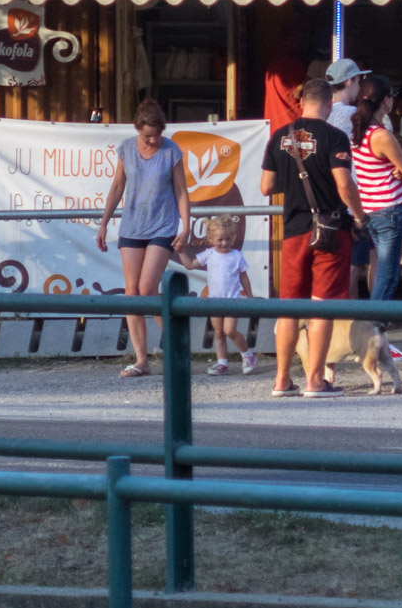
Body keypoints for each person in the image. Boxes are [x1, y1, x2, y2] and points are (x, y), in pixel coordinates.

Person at [262, 78, 365, 398]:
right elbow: (344, 184)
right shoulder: (334, 136)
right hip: (330, 231)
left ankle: (281, 380)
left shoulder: (280, 136)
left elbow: (266, 187)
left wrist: (293, 183)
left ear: (301, 101)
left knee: (290, 307)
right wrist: (360, 215)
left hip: (293, 230)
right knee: (323, 306)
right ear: (329, 104)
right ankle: (315, 381)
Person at [96, 100, 191, 378]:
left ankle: (176, 345)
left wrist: (186, 226)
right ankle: (141, 360)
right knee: (131, 292)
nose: (153, 140)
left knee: (149, 288)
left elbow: (181, 190)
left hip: (162, 225)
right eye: (148, 135)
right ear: (137, 129)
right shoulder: (127, 148)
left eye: (157, 135)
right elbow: (117, 187)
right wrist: (103, 224)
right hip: (132, 226)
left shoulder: (171, 150)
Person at [350, 74, 402, 303]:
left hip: (370, 208)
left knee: (384, 272)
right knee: (387, 275)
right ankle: (374, 328)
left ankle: (377, 329)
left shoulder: (357, 130)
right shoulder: (382, 135)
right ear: (385, 101)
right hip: (391, 208)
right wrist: (399, 168)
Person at [181, 214, 256, 376]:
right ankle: (222, 362)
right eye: (220, 239)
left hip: (232, 301)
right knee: (219, 333)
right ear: (210, 238)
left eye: (228, 239)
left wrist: (250, 296)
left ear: (233, 238)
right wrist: (180, 252)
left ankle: (248, 355)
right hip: (214, 302)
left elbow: (244, 277)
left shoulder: (236, 255)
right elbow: (189, 265)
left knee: (230, 330)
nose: (224, 243)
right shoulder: (208, 254)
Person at [263, 3, 313, 135]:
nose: (308, 40)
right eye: (305, 34)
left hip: (274, 130)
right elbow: (303, 95)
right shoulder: (291, 64)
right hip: (292, 132)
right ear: (296, 35)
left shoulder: (275, 62)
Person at [325, 57, 366, 134]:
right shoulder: (352, 113)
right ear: (349, 81)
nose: (359, 87)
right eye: (358, 81)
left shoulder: (323, 111)